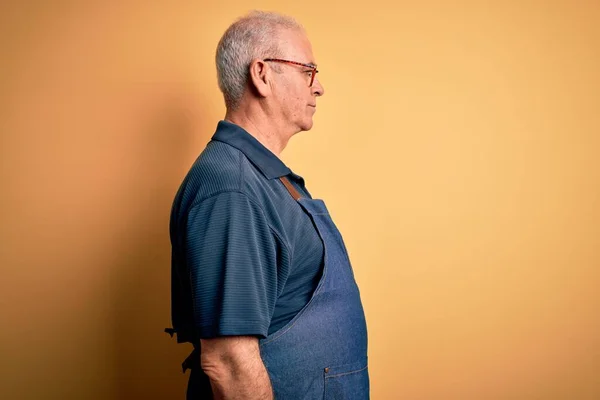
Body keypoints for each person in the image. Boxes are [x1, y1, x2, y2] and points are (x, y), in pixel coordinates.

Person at [166, 10, 369, 399]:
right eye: (307, 70)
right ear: (261, 74)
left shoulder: (266, 179)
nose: (319, 87)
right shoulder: (232, 189)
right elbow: (228, 362)